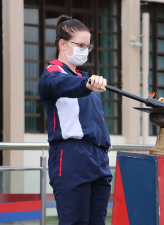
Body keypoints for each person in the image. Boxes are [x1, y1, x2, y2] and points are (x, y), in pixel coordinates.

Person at [38, 15, 112, 225]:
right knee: (75, 221)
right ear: (63, 44)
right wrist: (87, 85)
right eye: (80, 45)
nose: (84, 50)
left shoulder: (83, 80)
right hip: (71, 156)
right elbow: (62, 84)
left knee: (97, 221)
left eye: (87, 47)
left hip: (98, 158)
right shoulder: (53, 74)